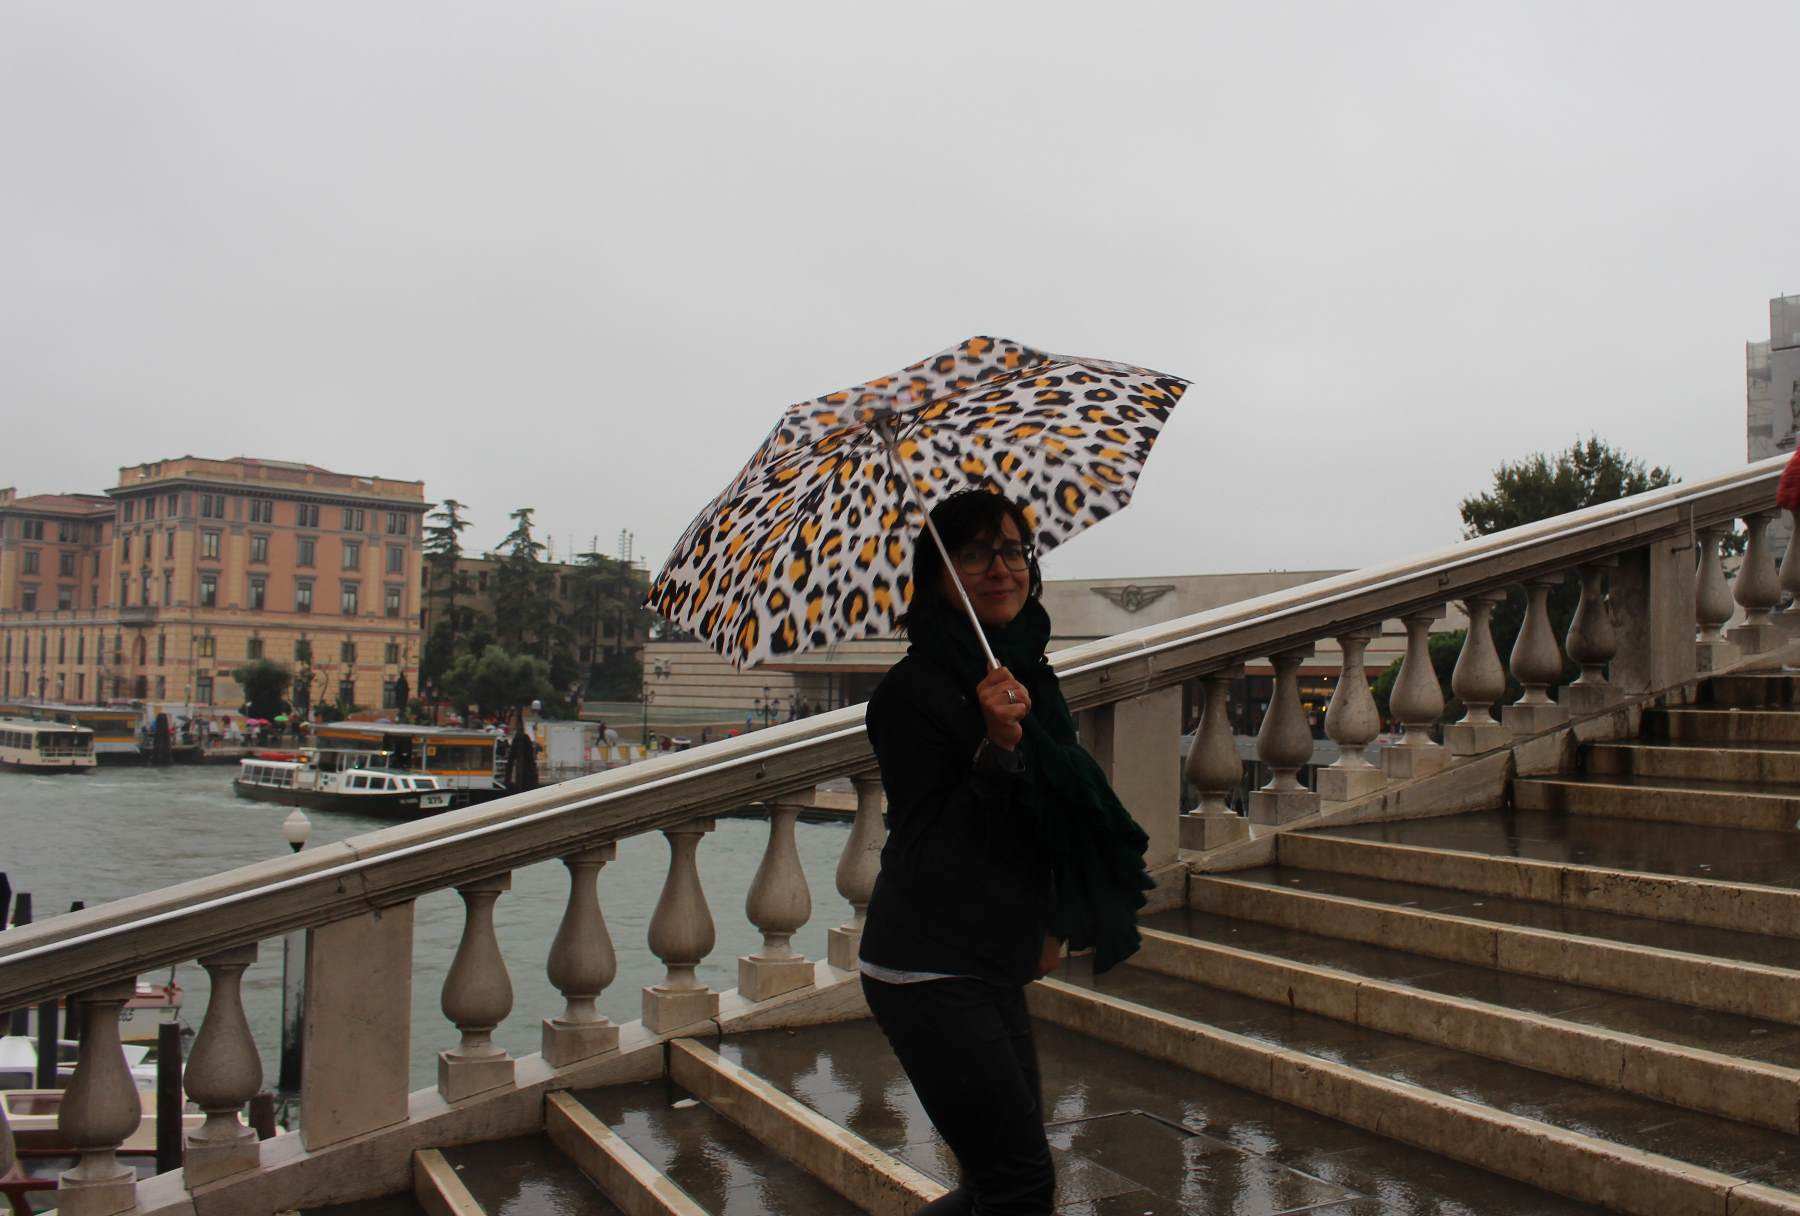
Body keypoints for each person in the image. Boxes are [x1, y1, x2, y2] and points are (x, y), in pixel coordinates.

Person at [859, 489, 1154, 1216]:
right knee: (1020, 1182)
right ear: (937, 574)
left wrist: (1051, 920)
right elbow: (931, 847)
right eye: (975, 553)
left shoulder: (1026, 676)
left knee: (1004, 1181)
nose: (1002, 568)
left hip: (992, 954)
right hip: (925, 965)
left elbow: (1048, 821)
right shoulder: (909, 694)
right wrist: (996, 748)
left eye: (1014, 549)